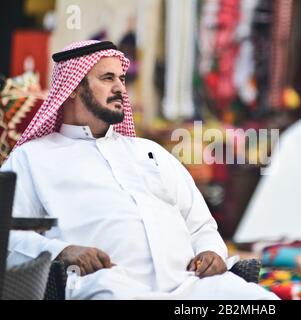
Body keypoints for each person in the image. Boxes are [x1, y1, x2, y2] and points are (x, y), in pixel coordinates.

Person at [1, 40, 278, 300]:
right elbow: (8, 236)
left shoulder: (151, 152)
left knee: (257, 300)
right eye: (108, 78)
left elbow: (200, 225)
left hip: (191, 285)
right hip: (107, 286)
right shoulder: (33, 158)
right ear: (72, 86)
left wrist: (210, 251)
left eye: (122, 79)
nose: (121, 88)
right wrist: (61, 251)